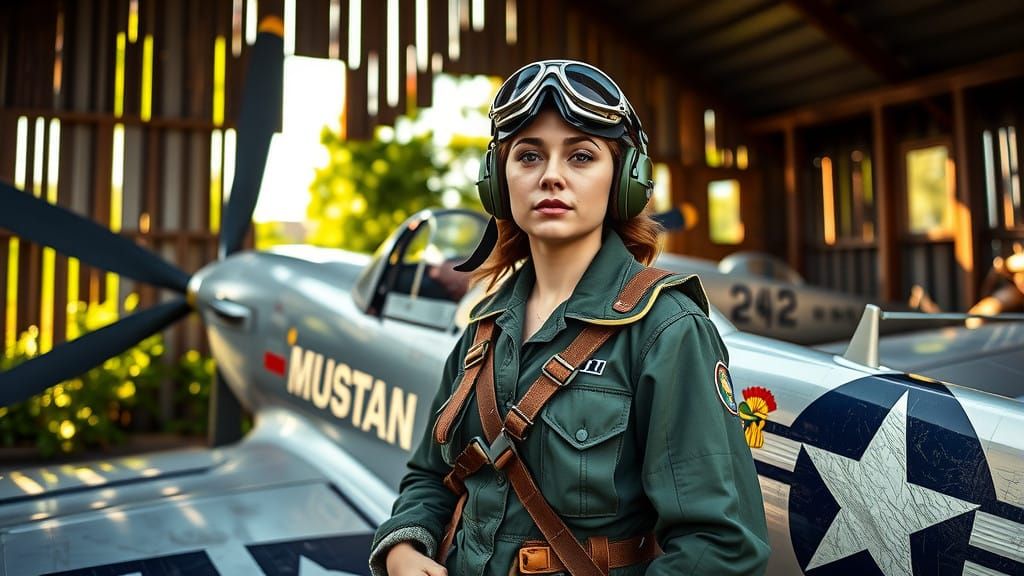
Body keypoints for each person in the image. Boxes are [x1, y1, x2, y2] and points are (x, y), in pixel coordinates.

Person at [369, 60, 770, 576]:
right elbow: (431, 474)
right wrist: (405, 545)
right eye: (529, 155)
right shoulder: (484, 327)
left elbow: (721, 547)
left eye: (581, 156)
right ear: (498, 181)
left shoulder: (666, 330)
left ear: (625, 180)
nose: (551, 175)